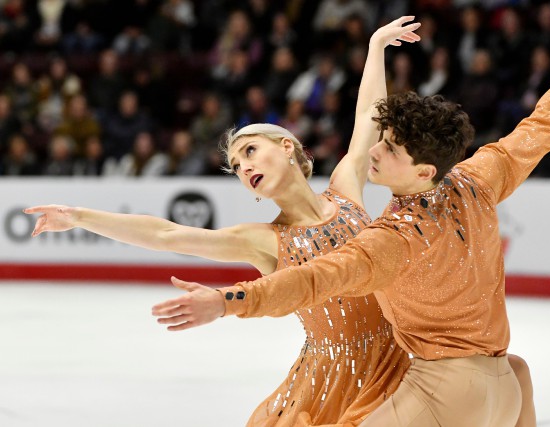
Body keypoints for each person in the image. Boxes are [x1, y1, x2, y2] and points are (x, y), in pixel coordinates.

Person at [151, 13, 550, 427]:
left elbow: (314, 280)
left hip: (446, 394)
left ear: (423, 171)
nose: (373, 150)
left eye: (389, 148)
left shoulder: (396, 238)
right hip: (509, 383)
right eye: (383, 139)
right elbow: (544, 125)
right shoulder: (480, 178)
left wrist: (227, 300)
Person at [25, 17, 421, 427]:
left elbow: (368, 118)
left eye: (250, 151)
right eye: (236, 165)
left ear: (288, 147)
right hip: (337, 378)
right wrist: (78, 217)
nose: (244, 166)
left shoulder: (345, 190)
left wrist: (376, 47)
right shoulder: (264, 240)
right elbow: (166, 233)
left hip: (403, 355)